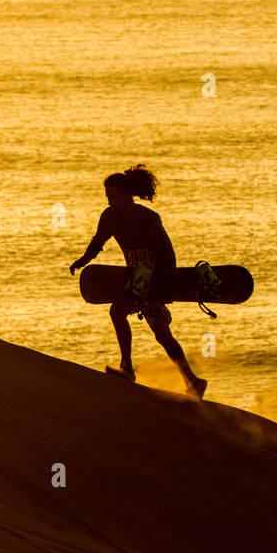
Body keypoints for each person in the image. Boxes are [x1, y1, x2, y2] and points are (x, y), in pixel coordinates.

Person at [69, 164, 208, 399]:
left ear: (127, 195)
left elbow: (167, 255)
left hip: (155, 278)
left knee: (136, 321)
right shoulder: (110, 217)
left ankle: (135, 369)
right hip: (136, 277)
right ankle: (189, 380)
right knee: (145, 325)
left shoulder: (148, 219)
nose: (110, 201)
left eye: (114, 196)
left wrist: (159, 292)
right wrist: (82, 260)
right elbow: (98, 240)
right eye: (107, 197)